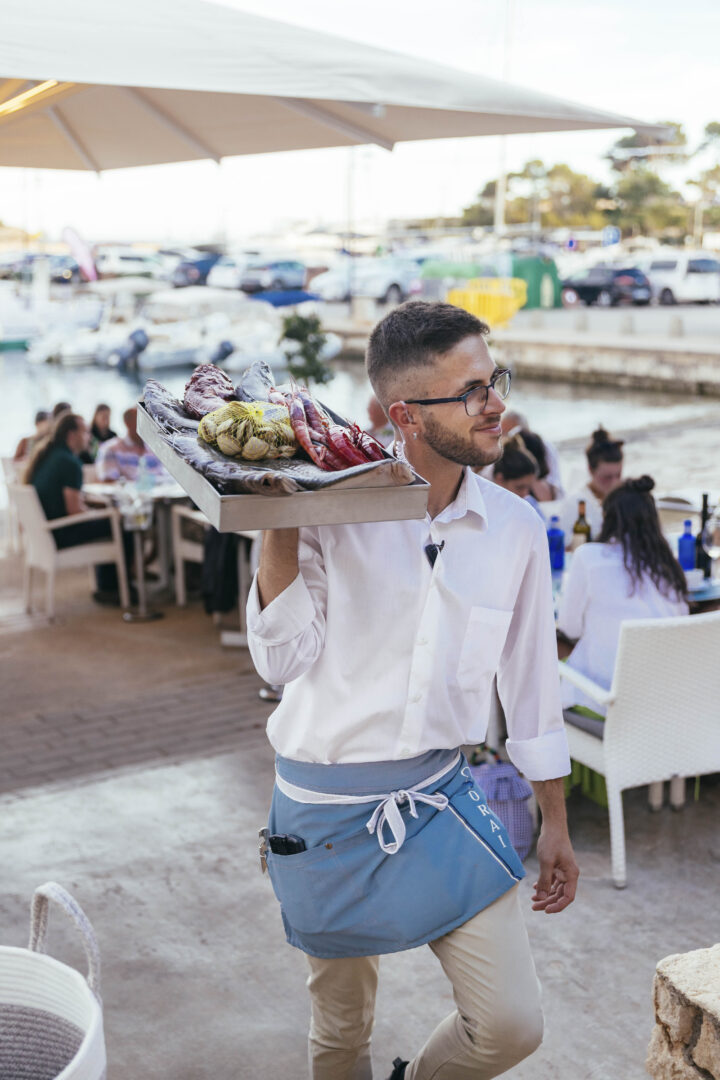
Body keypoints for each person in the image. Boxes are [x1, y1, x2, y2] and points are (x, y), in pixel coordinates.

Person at [248, 300, 578, 1080]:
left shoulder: (517, 529)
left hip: (440, 799)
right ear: (406, 416)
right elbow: (280, 662)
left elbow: (532, 685)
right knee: (341, 1033)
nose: (496, 405)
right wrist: (280, 512)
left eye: (494, 380)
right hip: (323, 811)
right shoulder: (326, 511)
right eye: (471, 392)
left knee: (510, 1025)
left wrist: (555, 821)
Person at [557, 475, 688, 715]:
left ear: (608, 518)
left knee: (549, 650)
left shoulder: (588, 557)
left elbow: (570, 628)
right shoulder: (668, 566)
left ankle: (504, 730)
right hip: (663, 707)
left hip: (605, 706)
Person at [23, 412, 132, 602]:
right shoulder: (69, 463)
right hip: (61, 534)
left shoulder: (49, 456)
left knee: (108, 519)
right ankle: (112, 588)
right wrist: (103, 514)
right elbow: (74, 511)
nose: (90, 437)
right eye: (86, 432)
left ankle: (108, 584)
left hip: (45, 534)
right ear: (72, 435)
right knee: (122, 523)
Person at [557, 426, 623, 544]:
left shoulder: (626, 498)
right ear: (590, 470)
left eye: (618, 475)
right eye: (607, 477)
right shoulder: (576, 503)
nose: (614, 483)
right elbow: (564, 545)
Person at [501, 409, 564, 500]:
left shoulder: (544, 447)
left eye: (510, 433)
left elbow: (554, 489)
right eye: (502, 432)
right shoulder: (500, 450)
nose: (505, 437)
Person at [96, 406, 164, 483]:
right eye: (143, 420)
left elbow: (164, 477)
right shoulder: (110, 449)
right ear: (128, 423)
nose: (149, 425)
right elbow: (109, 483)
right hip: (127, 491)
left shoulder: (154, 450)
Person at [488, 434, 544, 517]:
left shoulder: (530, 503)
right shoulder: (485, 508)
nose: (525, 494)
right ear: (499, 480)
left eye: (529, 488)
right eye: (520, 487)